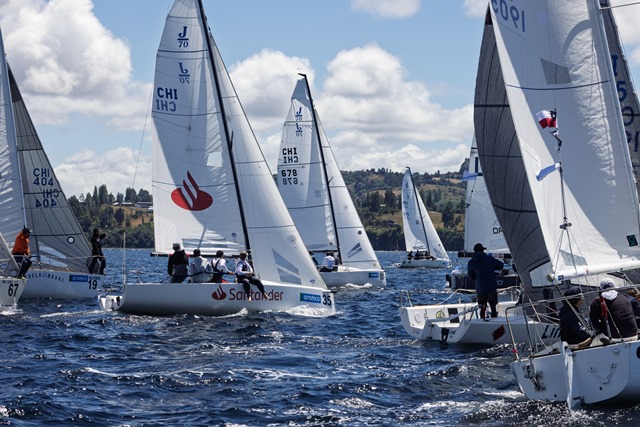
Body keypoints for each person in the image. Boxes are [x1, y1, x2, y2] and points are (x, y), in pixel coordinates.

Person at [467, 242, 504, 319]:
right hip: (491, 286)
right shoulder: (489, 258)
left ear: (474, 251)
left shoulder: (471, 262)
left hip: (480, 287)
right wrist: (492, 268)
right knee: (493, 305)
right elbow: (501, 265)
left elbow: (471, 276)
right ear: (482, 250)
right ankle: (494, 319)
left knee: (482, 306)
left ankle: (482, 320)